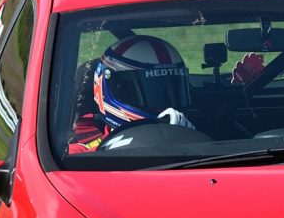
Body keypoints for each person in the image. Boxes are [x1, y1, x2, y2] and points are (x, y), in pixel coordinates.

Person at [68, 34, 197, 152]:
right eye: (153, 93)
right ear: (112, 89)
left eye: (173, 89)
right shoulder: (81, 153)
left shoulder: (209, 145)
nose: (167, 108)